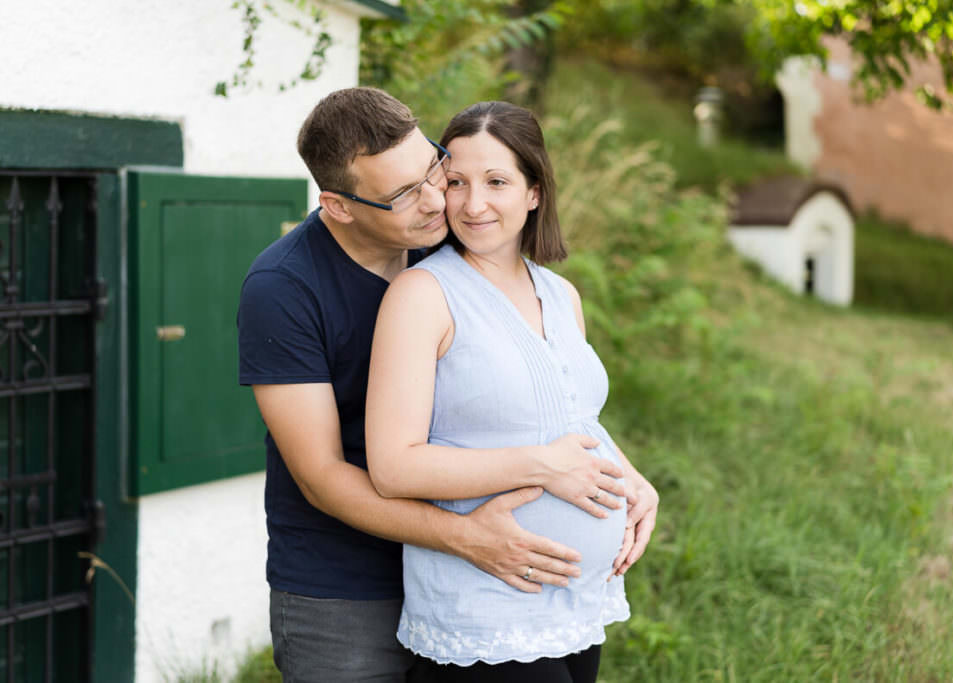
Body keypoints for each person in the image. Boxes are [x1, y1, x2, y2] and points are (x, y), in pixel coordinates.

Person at [237, 88, 658, 683]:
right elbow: (322, 475)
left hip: (494, 569)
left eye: (434, 168)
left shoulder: (447, 241)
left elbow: (539, 402)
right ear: (339, 205)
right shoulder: (284, 290)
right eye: (405, 193)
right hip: (347, 582)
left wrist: (624, 476)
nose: (439, 200)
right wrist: (466, 538)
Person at [365, 101, 658, 682]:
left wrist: (632, 479)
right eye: (455, 182)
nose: (473, 204)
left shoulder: (561, 294)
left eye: (496, 182)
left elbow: (574, 420)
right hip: (486, 607)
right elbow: (393, 469)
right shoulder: (422, 295)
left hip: (577, 603)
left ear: (533, 192)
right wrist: (543, 469)